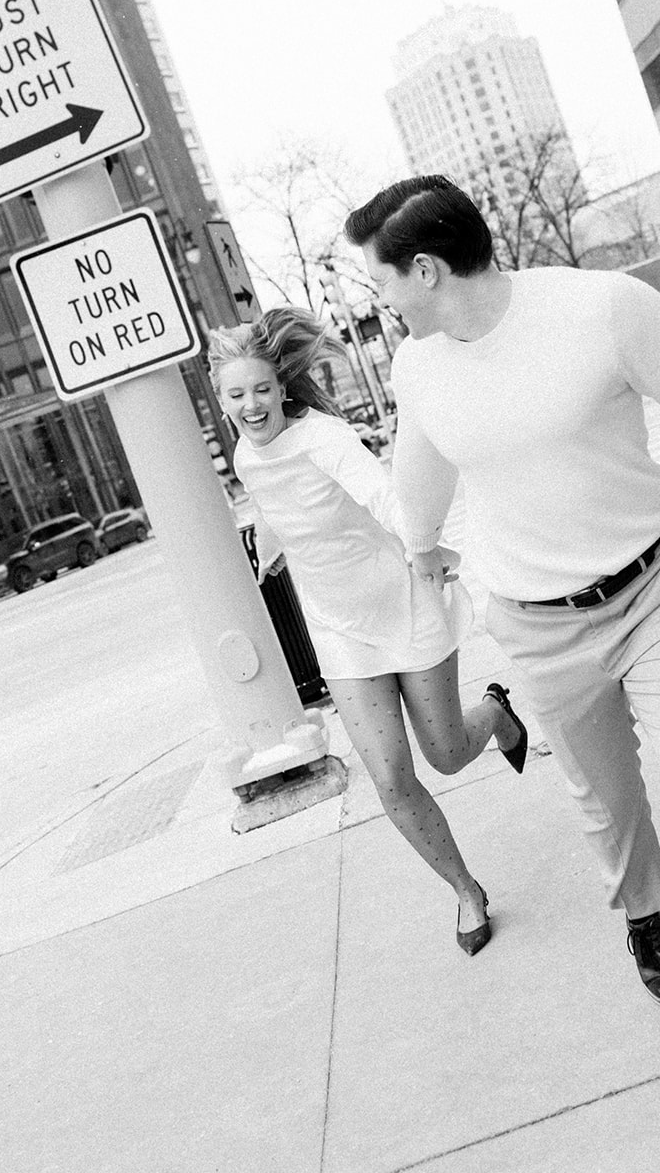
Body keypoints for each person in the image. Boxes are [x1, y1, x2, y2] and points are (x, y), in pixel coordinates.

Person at [344, 175, 660, 1117]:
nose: (376, 302)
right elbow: (417, 480)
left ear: (425, 269)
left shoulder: (602, 309)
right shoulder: (420, 368)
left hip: (656, 593)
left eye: (381, 282)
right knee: (610, 804)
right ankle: (643, 916)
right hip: (536, 627)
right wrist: (417, 554)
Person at [207, 307, 528, 955]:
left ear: (281, 386)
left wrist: (424, 548)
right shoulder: (246, 455)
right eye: (235, 395)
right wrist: (269, 546)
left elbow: (381, 494)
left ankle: (494, 714)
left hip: (403, 608)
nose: (250, 405)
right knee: (390, 777)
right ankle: (467, 890)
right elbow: (277, 508)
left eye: (261, 390)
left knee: (445, 755)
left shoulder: (321, 436)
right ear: (222, 400)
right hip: (340, 630)